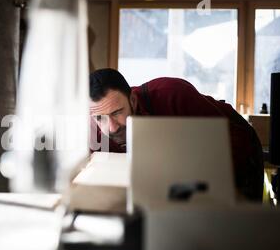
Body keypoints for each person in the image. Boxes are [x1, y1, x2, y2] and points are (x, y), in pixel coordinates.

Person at [89, 68, 264, 201]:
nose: (112, 128)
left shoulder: (171, 93)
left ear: (133, 100)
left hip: (237, 150)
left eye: (117, 112)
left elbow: (231, 140)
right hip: (170, 177)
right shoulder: (91, 132)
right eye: (100, 118)